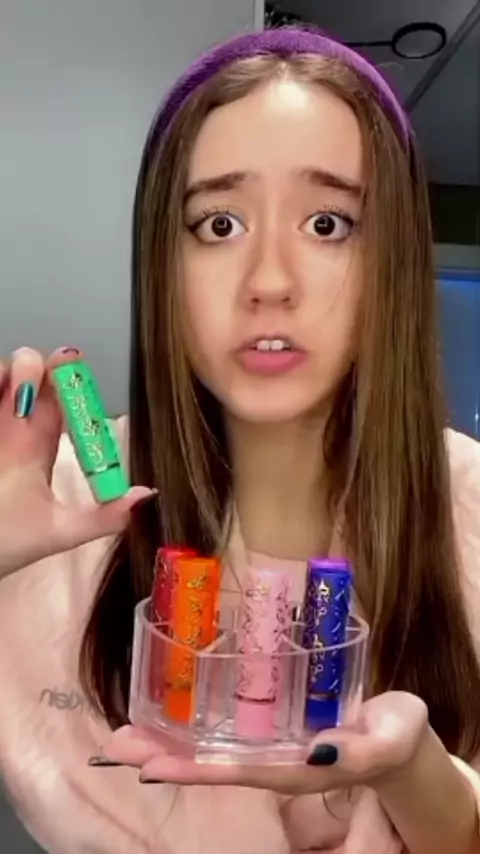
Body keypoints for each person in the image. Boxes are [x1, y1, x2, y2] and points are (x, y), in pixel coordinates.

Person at [1, 25, 480, 854]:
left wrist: (413, 773)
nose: (269, 282)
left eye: (328, 223)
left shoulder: (471, 506)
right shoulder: (57, 510)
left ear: (394, 261)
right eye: (219, 225)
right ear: (163, 260)